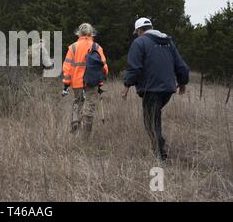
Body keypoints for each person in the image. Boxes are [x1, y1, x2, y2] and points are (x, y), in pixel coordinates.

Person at [122, 17, 189, 161]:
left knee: (151, 121)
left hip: (151, 88)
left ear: (140, 31)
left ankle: (160, 154)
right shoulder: (168, 42)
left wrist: (127, 85)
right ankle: (159, 148)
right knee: (155, 116)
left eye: (137, 32)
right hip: (168, 89)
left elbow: (134, 67)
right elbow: (181, 65)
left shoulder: (139, 42)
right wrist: (182, 83)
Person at [62, 23, 109, 138]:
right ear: (91, 32)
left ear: (79, 33)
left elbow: (67, 67)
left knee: (77, 103)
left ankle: (75, 127)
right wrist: (100, 80)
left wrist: (66, 84)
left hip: (77, 83)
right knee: (89, 106)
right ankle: (85, 137)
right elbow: (104, 67)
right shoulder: (97, 47)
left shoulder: (73, 47)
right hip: (92, 82)